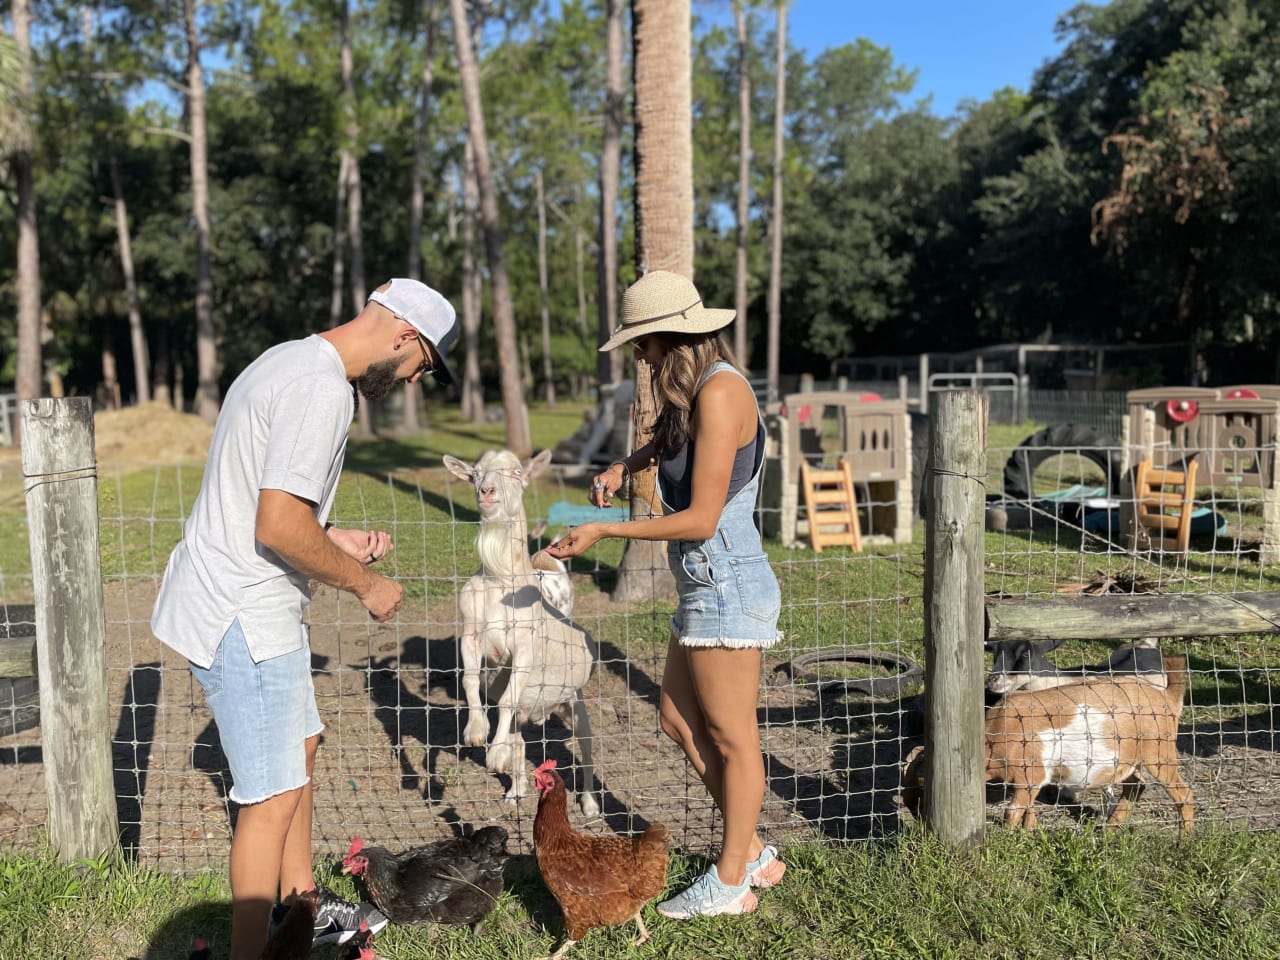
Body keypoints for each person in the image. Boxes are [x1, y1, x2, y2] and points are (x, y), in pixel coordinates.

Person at [151, 278, 460, 959]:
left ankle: (303, 906)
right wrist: (366, 583)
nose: (412, 380)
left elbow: (268, 504)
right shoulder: (322, 390)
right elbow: (277, 524)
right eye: (421, 367)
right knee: (268, 799)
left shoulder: (289, 358)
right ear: (407, 336)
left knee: (303, 749)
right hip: (244, 611)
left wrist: (332, 535)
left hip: (246, 597)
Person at [546, 270, 785, 919]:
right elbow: (673, 442)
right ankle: (754, 851)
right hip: (704, 583)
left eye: (643, 345)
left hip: (727, 581)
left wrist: (602, 527)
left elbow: (702, 517)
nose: (639, 358)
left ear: (668, 338)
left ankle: (732, 878)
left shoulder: (721, 393)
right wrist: (629, 463)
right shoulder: (696, 393)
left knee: (734, 740)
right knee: (678, 721)